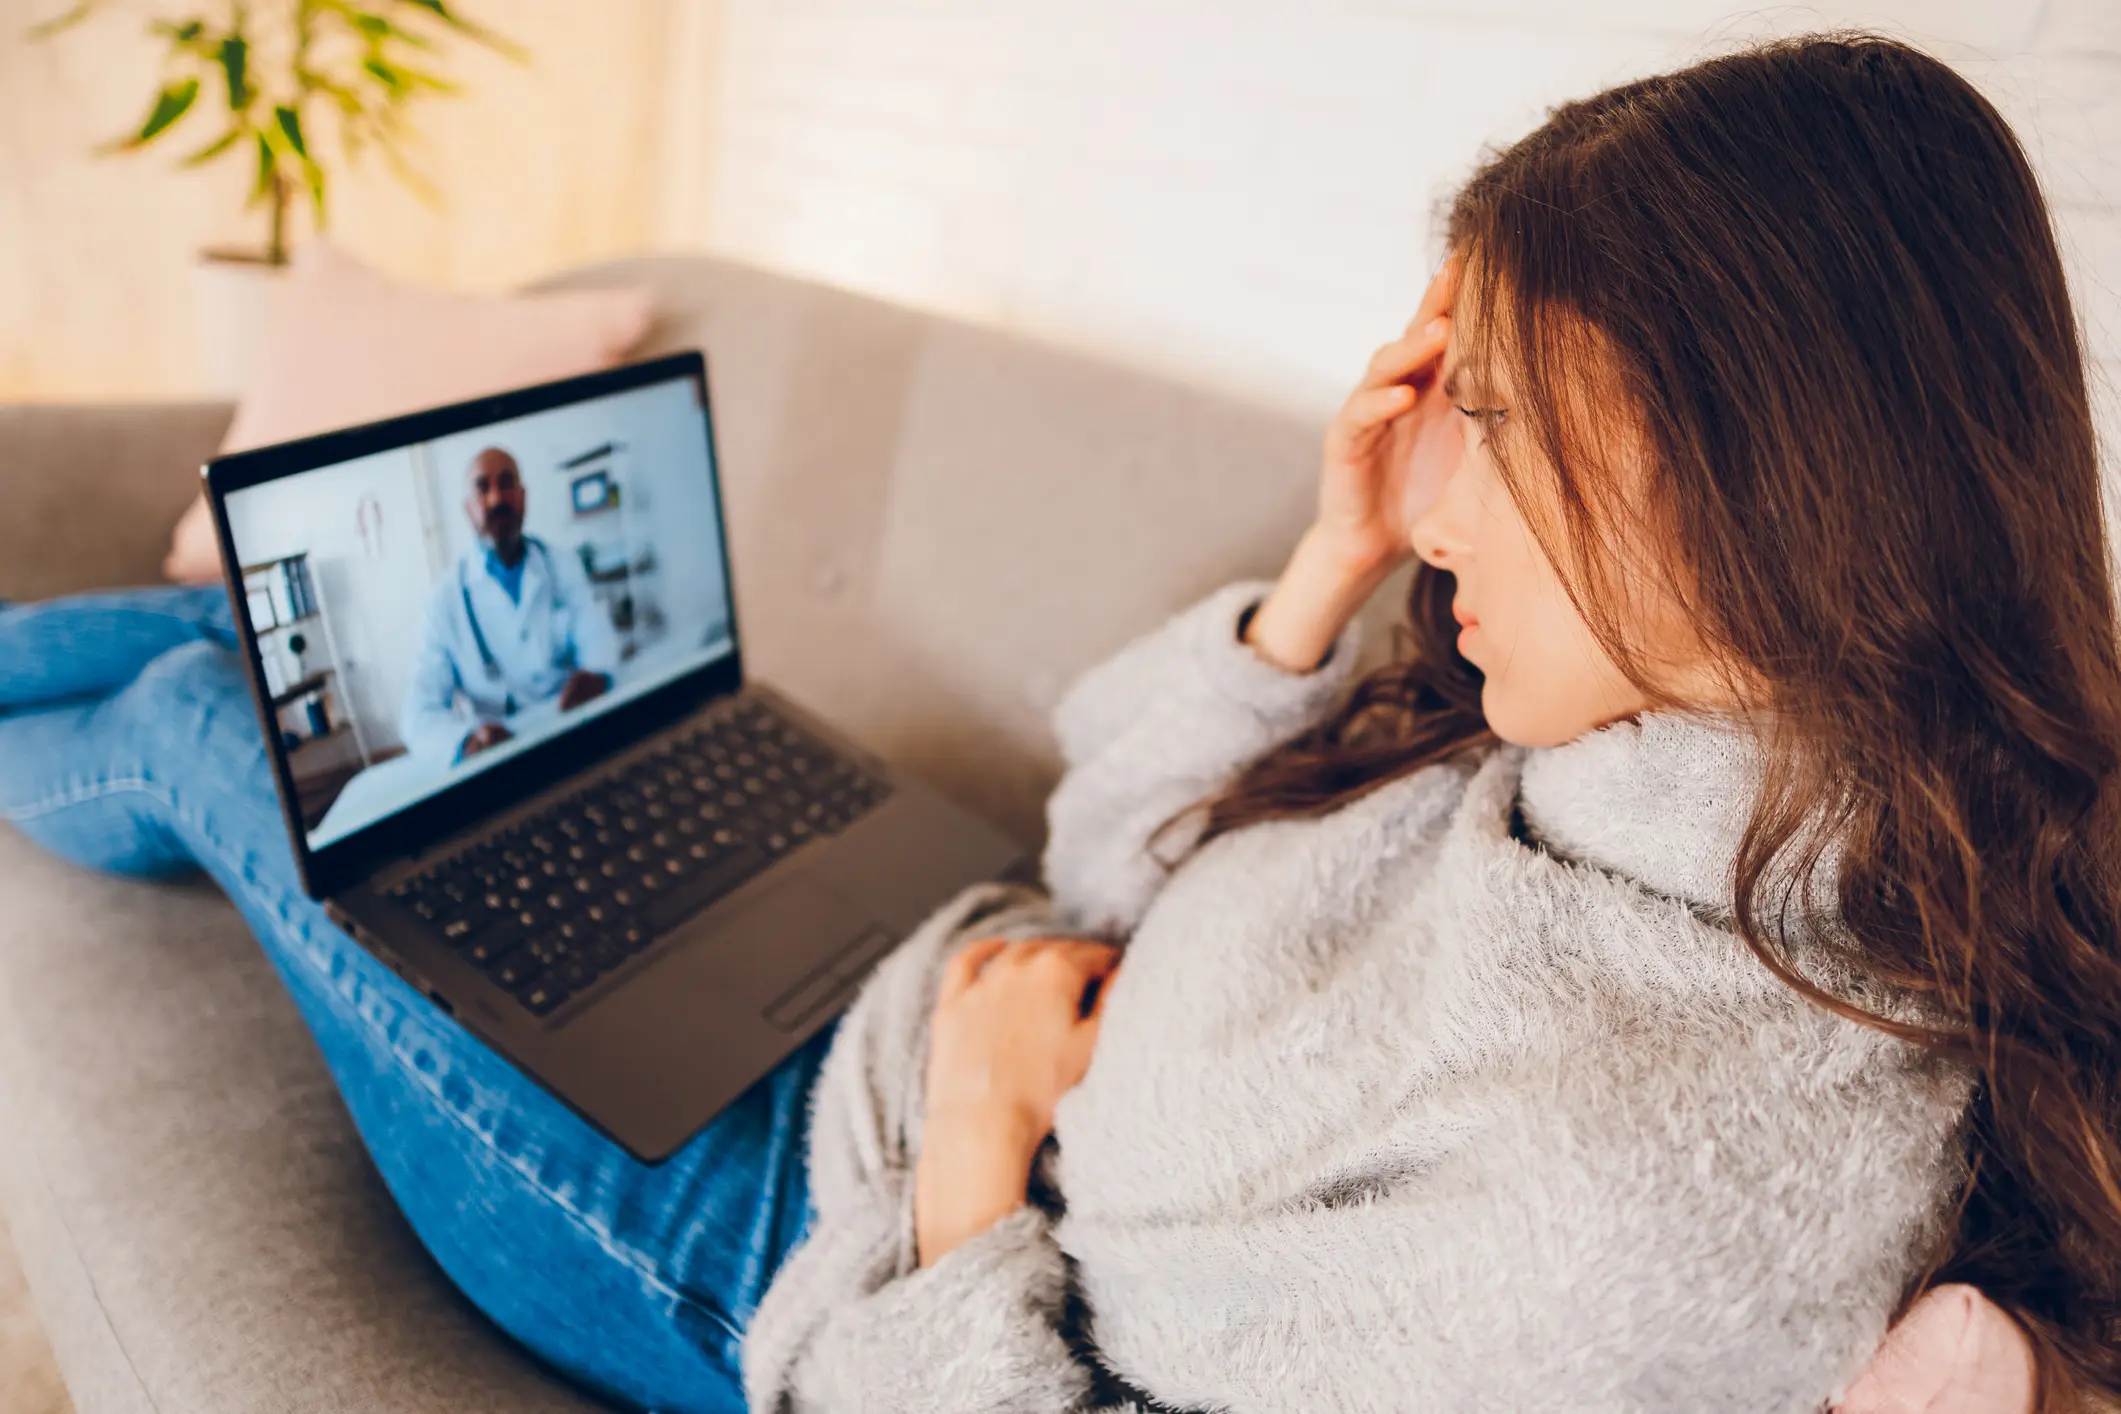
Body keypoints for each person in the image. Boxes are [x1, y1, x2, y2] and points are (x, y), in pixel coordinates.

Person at [0, 31, 2114, 1414]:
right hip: (929, 967)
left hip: (764, 1230)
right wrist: (1322, 563)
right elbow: (1131, 867)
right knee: (322, 698)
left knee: (222, 710)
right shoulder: (1651, 777)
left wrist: (976, 1168)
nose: (1435, 495)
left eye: (1493, 423)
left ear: (1766, 464)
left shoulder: (1632, 1202)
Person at [400, 446, 619, 763]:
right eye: (482, 488)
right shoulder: (444, 600)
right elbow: (418, 713)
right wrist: (466, 742)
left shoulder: (561, 564)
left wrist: (596, 673)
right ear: (467, 507)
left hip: (572, 726)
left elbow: (595, 632)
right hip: (502, 753)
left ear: (523, 496)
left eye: (506, 484)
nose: (496, 499)